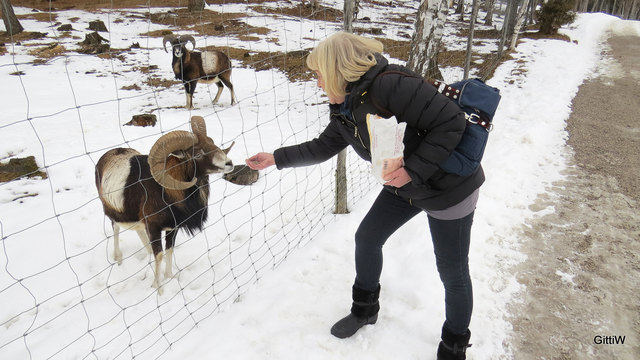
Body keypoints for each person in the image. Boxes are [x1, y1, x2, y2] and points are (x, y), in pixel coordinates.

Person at [246, 31, 482, 360]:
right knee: (367, 238)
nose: (317, 82)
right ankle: (365, 309)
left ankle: (455, 343)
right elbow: (324, 145)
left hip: (448, 188)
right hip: (403, 186)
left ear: (337, 68)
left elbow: (451, 122)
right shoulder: (346, 104)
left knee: (452, 271)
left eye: (318, 74)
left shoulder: (390, 85)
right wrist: (276, 158)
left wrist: (413, 171)